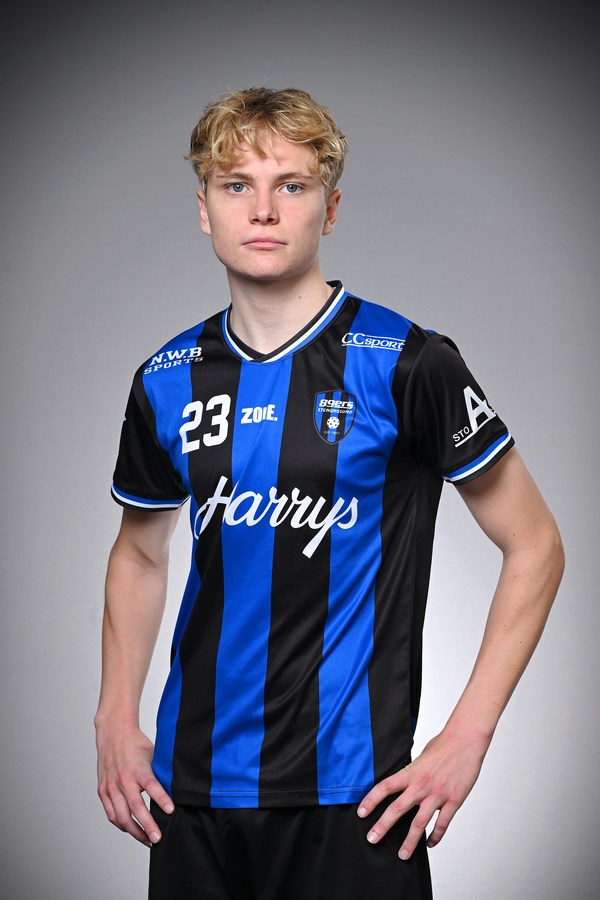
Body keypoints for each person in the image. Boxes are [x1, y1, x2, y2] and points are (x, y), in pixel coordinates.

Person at [95, 87, 564, 900]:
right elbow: (139, 554)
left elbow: (536, 545)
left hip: (356, 802)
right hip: (191, 796)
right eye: (236, 185)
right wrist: (113, 715)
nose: (263, 209)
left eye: (292, 184)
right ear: (205, 209)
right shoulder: (168, 378)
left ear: (331, 208)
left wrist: (469, 735)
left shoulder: (407, 361)